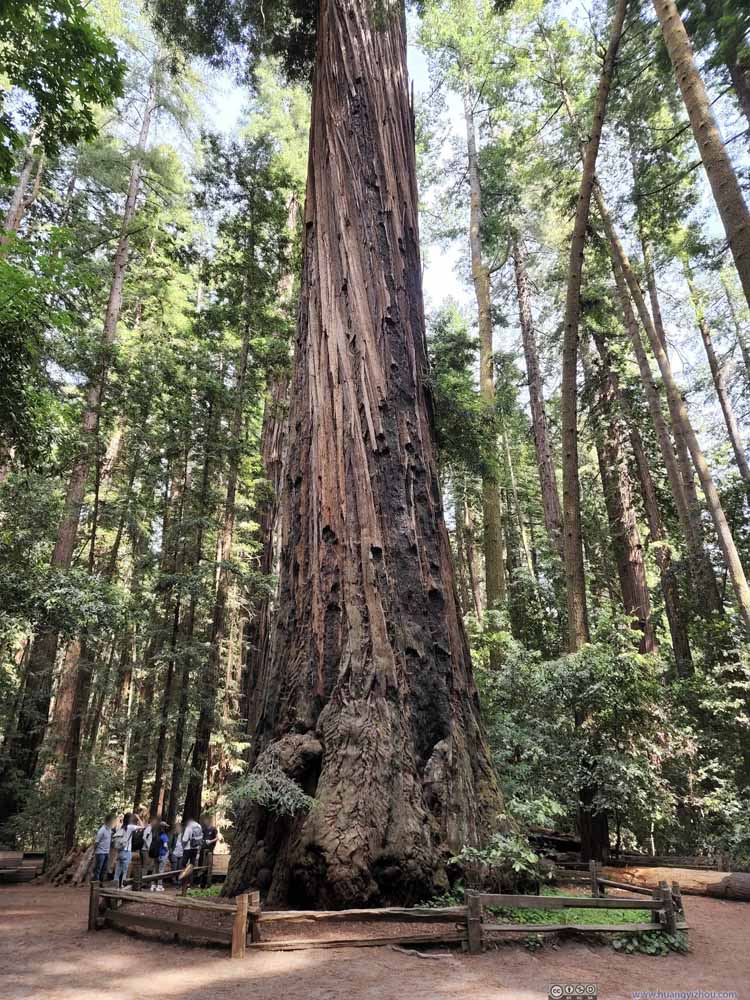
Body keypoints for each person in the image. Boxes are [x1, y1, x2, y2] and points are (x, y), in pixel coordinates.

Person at [113, 813, 142, 889]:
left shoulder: (120, 827)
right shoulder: (130, 827)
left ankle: (115, 885)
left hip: (119, 851)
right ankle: (122, 885)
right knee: (125, 871)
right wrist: (138, 818)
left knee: (118, 870)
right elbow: (143, 827)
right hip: (126, 851)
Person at [92, 813, 115, 882]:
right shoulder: (102, 830)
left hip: (106, 852)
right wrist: (94, 851)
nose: (112, 823)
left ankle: (101, 882)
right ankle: (96, 882)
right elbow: (96, 842)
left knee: (104, 868)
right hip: (100, 852)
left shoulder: (109, 830)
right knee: (98, 868)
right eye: (111, 821)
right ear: (108, 821)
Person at [199, 813, 218, 888]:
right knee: (202, 866)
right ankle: (201, 884)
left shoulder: (214, 829)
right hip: (203, 849)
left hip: (209, 850)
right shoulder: (204, 829)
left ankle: (208, 883)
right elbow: (201, 837)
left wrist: (210, 841)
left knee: (208, 866)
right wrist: (203, 841)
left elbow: (217, 838)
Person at [153, 822, 170, 892]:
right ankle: (159, 886)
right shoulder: (164, 836)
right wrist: (168, 851)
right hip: (163, 855)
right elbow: (165, 846)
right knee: (161, 871)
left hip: (156, 855)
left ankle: (153, 885)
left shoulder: (156, 835)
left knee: (155, 870)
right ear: (164, 828)